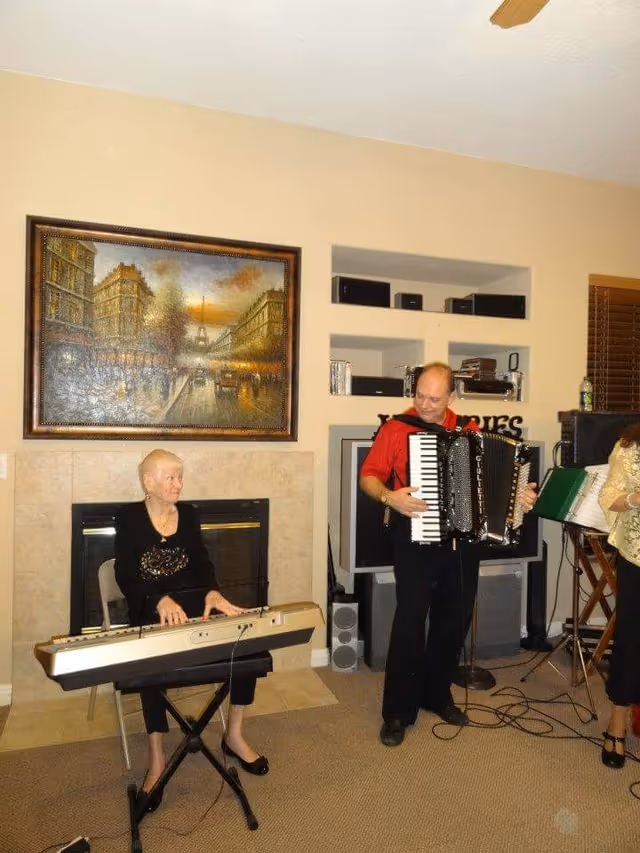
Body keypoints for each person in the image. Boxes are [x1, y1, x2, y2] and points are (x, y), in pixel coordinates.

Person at [359, 362, 537, 747]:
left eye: (434, 398)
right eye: (420, 395)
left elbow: (491, 485)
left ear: (451, 399)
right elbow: (368, 476)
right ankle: (396, 711)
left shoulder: (469, 430)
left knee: (452, 622)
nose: (424, 404)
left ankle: (436, 694)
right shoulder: (396, 429)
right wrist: (390, 496)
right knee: (409, 623)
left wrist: (518, 497)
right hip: (413, 537)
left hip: (461, 544)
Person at [115, 449, 269, 806]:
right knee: (150, 660)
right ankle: (156, 757)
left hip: (195, 602)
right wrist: (158, 599)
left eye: (180, 476)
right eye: (170, 477)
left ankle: (234, 735)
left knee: (243, 640)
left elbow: (201, 561)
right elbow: (125, 572)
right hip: (150, 607)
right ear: (147, 481)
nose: (178, 484)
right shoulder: (129, 517)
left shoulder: (190, 514)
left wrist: (213, 593)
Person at [598, 421, 640, 768]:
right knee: (631, 643)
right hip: (638, 558)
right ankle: (616, 725)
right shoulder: (628, 448)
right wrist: (636, 497)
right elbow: (607, 497)